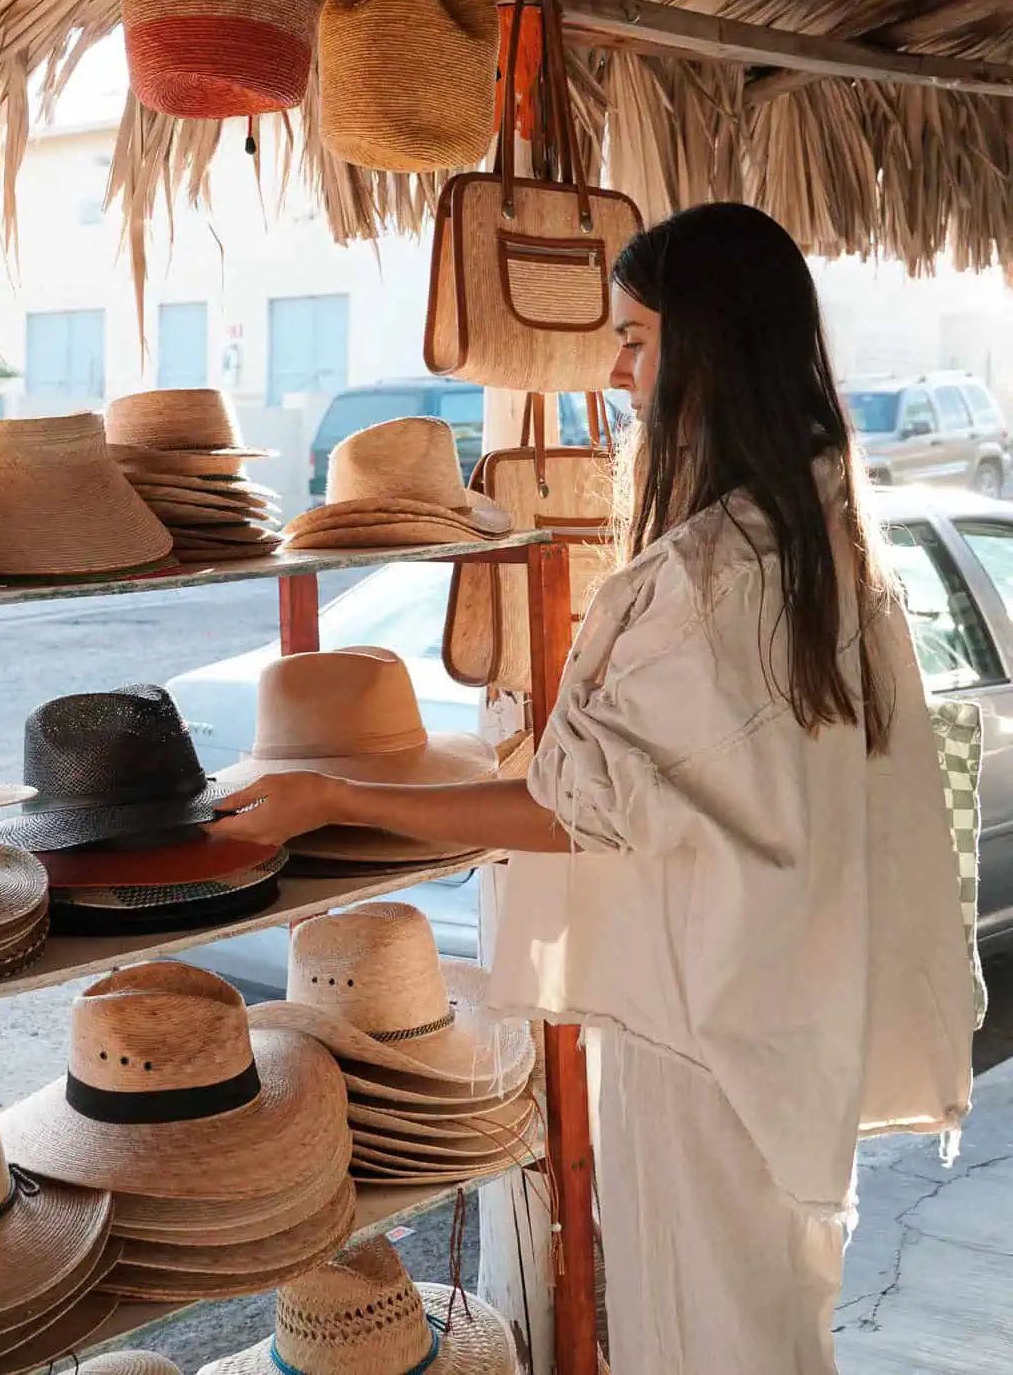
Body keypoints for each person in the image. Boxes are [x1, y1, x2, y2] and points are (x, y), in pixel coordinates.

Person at [214, 203, 975, 1375]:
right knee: (771, 1322)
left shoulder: (716, 575)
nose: (617, 369)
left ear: (708, 347)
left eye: (635, 336)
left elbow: (573, 806)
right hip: (783, 1016)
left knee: (710, 1336)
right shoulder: (826, 530)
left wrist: (343, 802)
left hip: (702, 1034)